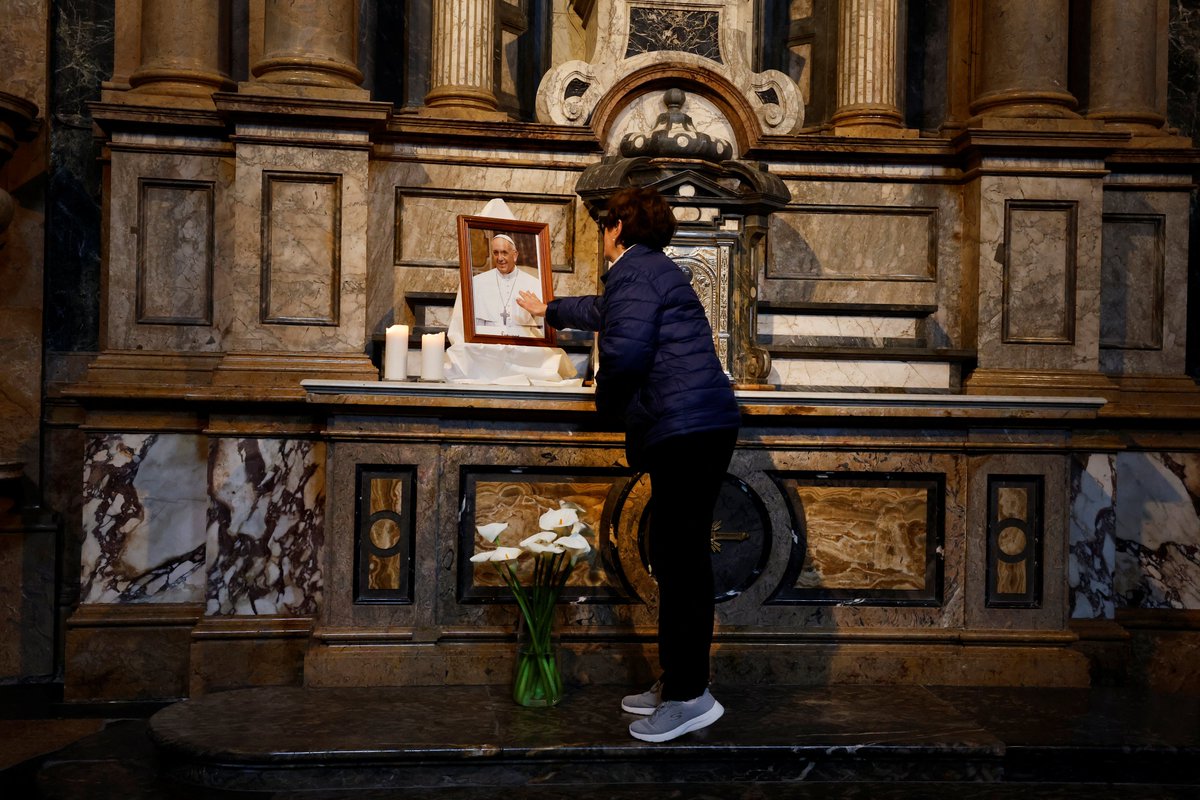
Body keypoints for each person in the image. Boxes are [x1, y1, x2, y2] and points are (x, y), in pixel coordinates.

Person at [516, 186, 740, 743]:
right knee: (674, 555)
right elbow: (603, 311)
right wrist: (547, 309)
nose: (601, 232)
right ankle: (678, 683)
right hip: (694, 426)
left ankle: (692, 696)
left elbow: (625, 352)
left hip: (688, 431)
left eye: (604, 223)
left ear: (618, 227)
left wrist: (605, 399)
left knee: (682, 562)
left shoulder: (637, 273)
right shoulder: (646, 271)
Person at [470, 233, 544, 337]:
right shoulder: (478, 282)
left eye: (504, 253)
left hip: (522, 345)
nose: (500, 258)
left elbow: (541, 327)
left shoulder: (533, 283)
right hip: (489, 344)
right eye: (496, 253)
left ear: (515, 255)